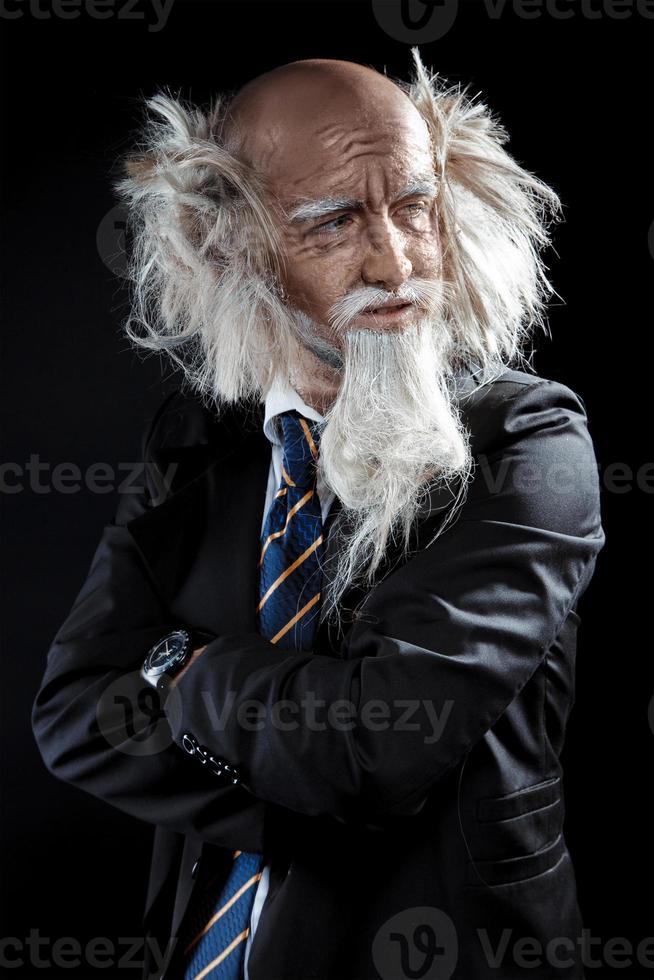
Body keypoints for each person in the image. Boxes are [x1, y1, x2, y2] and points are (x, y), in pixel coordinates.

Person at [31, 50, 605, 980]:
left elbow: (376, 748)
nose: (398, 261)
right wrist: (328, 797)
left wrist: (180, 666)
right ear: (233, 247)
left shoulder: (527, 440)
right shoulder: (198, 441)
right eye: (336, 222)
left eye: (415, 206)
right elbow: (70, 717)